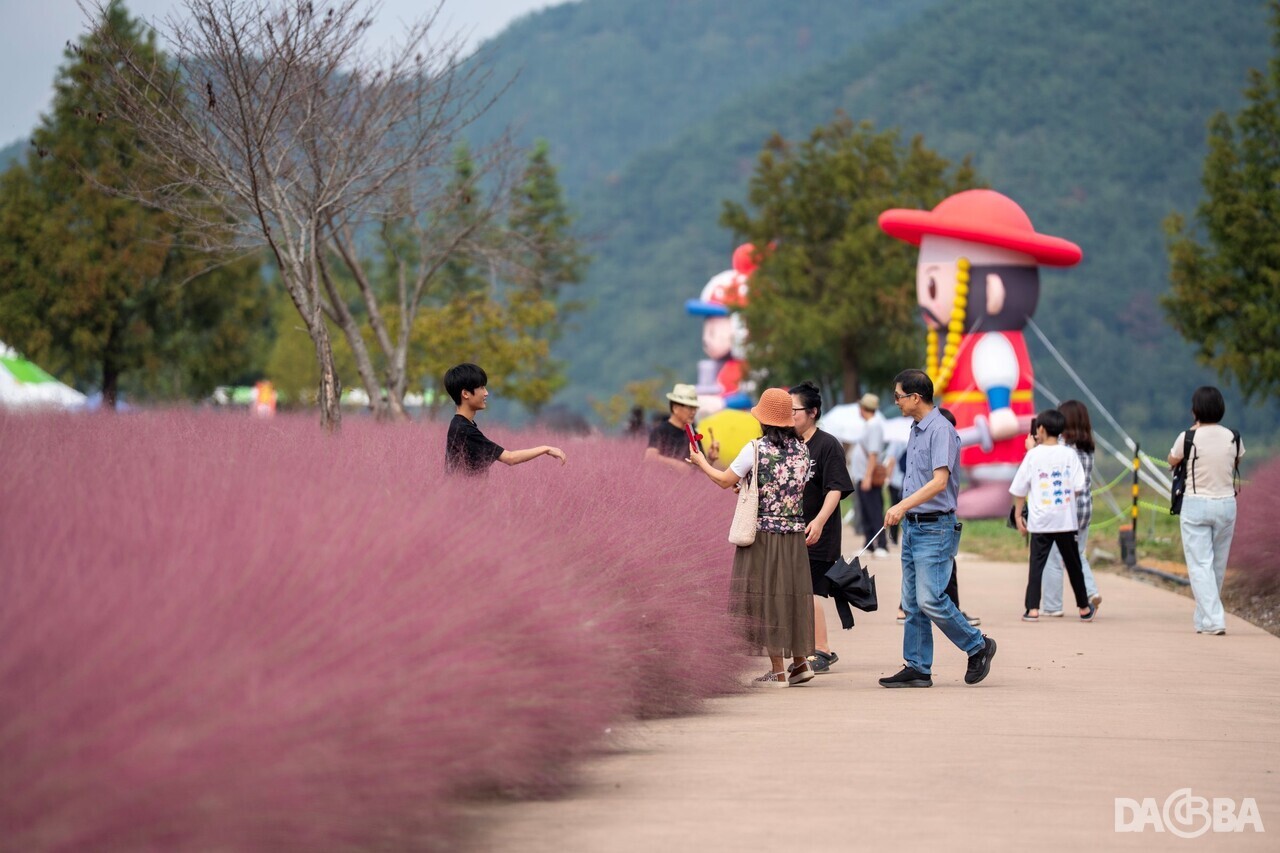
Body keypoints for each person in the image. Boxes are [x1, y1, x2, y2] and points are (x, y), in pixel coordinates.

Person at [688, 387, 816, 687]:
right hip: (793, 536)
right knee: (790, 596)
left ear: (764, 419)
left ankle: (778, 672)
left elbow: (724, 481)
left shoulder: (756, 449)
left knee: (765, 598)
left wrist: (700, 462)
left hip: (763, 536)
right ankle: (800, 663)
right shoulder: (803, 450)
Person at [880, 370, 996, 689]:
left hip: (935, 528)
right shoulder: (916, 429)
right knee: (912, 603)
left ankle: (977, 645)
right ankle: (917, 667)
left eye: (898, 396)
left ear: (915, 397)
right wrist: (905, 512)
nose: (896, 402)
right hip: (913, 527)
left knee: (930, 599)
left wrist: (901, 506)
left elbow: (939, 482)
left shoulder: (941, 430)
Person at [1168, 386, 1244, 636]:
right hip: (1226, 504)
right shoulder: (1233, 436)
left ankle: (1214, 620)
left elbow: (1172, 460)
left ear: (1195, 411)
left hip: (1196, 504)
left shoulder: (1187, 437)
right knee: (1217, 566)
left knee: (1200, 565)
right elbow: (1237, 460)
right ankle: (1203, 619)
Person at [790, 381, 854, 674]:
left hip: (818, 530)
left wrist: (818, 521)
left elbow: (835, 488)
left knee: (810, 590)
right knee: (796, 590)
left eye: (795, 410)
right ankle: (805, 646)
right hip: (791, 528)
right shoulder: (788, 444)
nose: (790, 416)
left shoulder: (827, 445)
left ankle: (822, 649)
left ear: (812, 412)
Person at [1011, 408, 1094, 622]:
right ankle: (1084, 608)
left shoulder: (1033, 455)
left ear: (1040, 429)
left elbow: (1020, 488)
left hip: (1040, 520)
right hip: (1065, 520)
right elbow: (1079, 486)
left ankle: (1032, 609)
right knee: (1074, 564)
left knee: (1036, 566)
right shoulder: (1069, 454)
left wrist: (1019, 515)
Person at [443, 363, 566, 475]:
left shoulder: (461, 425)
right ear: (465, 394)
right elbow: (510, 458)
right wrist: (545, 449)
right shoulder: (464, 429)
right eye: (481, 387)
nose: (486, 393)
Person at [1040, 400, 1103, 617]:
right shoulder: (1088, 448)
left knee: (1053, 558)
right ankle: (1091, 592)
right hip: (1084, 509)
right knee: (1077, 554)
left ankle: (1052, 605)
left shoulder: (1062, 448)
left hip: (1065, 509)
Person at [645, 383, 719, 472]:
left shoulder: (693, 435)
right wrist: (677, 465)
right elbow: (650, 457)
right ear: (675, 408)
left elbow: (699, 471)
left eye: (695, 408)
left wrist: (710, 459)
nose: (693, 412)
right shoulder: (661, 431)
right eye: (690, 408)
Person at [849, 393, 890, 557]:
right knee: (866, 510)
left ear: (863, 408)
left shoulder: (874, 425)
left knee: (874, 510)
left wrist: (867, 476)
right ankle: (869, 543)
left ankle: (881, 544)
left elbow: (873, 453)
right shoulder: (868, 425)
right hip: (862, 475)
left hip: (869, 477)